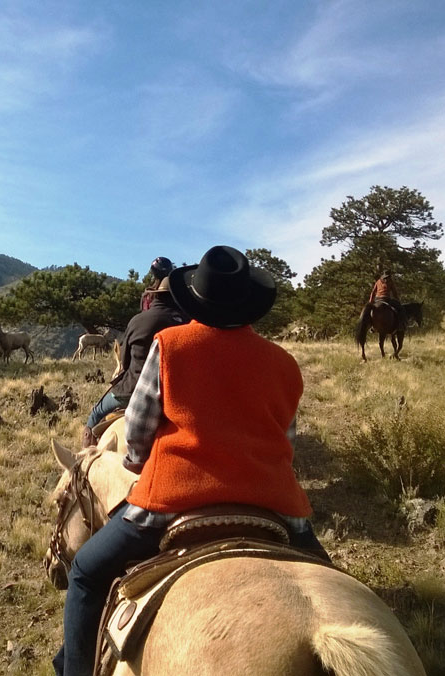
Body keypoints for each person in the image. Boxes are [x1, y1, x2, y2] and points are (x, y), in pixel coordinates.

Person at [55, 246, 327, 676]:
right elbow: (285, 441)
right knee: (330, 585)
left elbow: (139, 432)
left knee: (87, 572)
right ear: (248, 304)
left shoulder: (171, 345)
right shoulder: (285, 363)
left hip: (174, 497)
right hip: (275, 502)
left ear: (195, 300)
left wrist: (137, 461)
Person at [80, 275, 185, 447]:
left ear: (155, 295)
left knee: (96, 413)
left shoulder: (138, 321)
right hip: (173, 393)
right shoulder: (185, 323)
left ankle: (83, 460)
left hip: (133, 389)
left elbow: (124, 360)